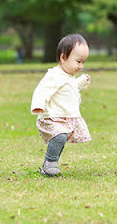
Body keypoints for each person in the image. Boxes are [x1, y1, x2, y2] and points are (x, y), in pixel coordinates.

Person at [30, 33, 92, 176]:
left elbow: (68, 89)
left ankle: (51, 164)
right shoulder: (54, 75)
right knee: (59, 136)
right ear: (63, 58)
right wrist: (38, 105)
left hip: (64, 117)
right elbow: (41, 90)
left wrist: (80, 83)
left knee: (61, 138)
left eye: (83, 62)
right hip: (51, 117)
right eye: (78, 61)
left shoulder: (68, 76)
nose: (81, 66)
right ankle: (49, 164)